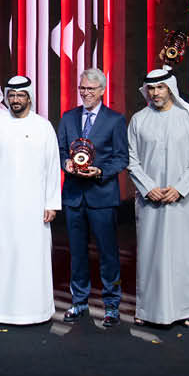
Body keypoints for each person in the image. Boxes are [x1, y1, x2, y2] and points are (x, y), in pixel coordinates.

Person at [125, 67, 189, 327]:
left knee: (182, 255)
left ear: (170, 88)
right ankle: (147, 310)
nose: (155, 93)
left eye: (160, 88)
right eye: (151, 88)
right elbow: (132, 159)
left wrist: (180, 187)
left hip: (182, 200)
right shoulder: (139, 119)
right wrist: (148, 186)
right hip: (150, 199)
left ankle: (184, 310)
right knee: (150, 255)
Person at [0, 75, 61, 326]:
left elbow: (53, 167)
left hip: (34, 207)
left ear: (29, 98)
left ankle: (35, 311)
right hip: (0, 206)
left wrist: (51, 203)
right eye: (11, 95)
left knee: (32, 257)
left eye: (20, 95)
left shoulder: (43, 127)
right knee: (1, 255)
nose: (15, 100)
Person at [55, 68, 128, 325]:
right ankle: (79, 302)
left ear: (102, 91)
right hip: (74, 195)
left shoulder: (115, 120)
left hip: (102, 196)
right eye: (82, 88)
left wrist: (101, 172)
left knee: (108, 253)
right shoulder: (68, 117)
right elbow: (62, 150)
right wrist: (66, 163)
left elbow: (121, 158)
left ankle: (111, 305)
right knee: (77, 253)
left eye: (90, 89)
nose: (85, 93)